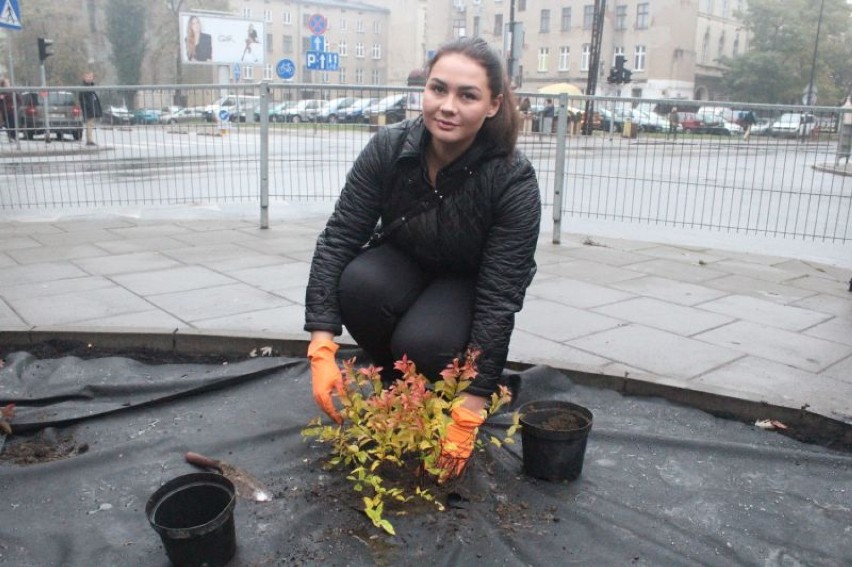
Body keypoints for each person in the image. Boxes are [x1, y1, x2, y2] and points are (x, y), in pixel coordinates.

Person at [304, 37, 541, 482]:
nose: (447, 106)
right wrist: (321, 344)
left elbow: (499, 297)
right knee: (357, 284)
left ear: (493, 105)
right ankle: (398, 377)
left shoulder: (512, 178)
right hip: (408, 259)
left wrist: (472, 403)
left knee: (427, 343)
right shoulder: (390, 148)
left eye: (467, 95)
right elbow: (338, 238)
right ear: (424, 90)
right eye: (438, 89)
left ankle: (433, 371)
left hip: (469, 281)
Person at [79, 72, 102, 147]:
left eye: (91, 77)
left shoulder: (91, 87)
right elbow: (82, 100)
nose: (89, 78)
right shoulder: (84, 88)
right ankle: (89, 140)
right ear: (84, 78)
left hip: (93, 109)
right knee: (89, 124)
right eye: (88, 77)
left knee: (91, 124)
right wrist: (87, 108)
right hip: (89, 109)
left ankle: (90, 140)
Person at [0, 77, 19, 142]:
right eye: (6, 83)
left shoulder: (12, 91)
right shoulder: (1, 91)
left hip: (11, 110)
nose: (8, 84)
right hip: (2, 111)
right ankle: (10, 136)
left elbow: (19, 100)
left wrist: (15, 106)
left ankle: (12, 137)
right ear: (3, 84)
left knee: (12, 123)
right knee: (5, 124)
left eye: (8, 83)